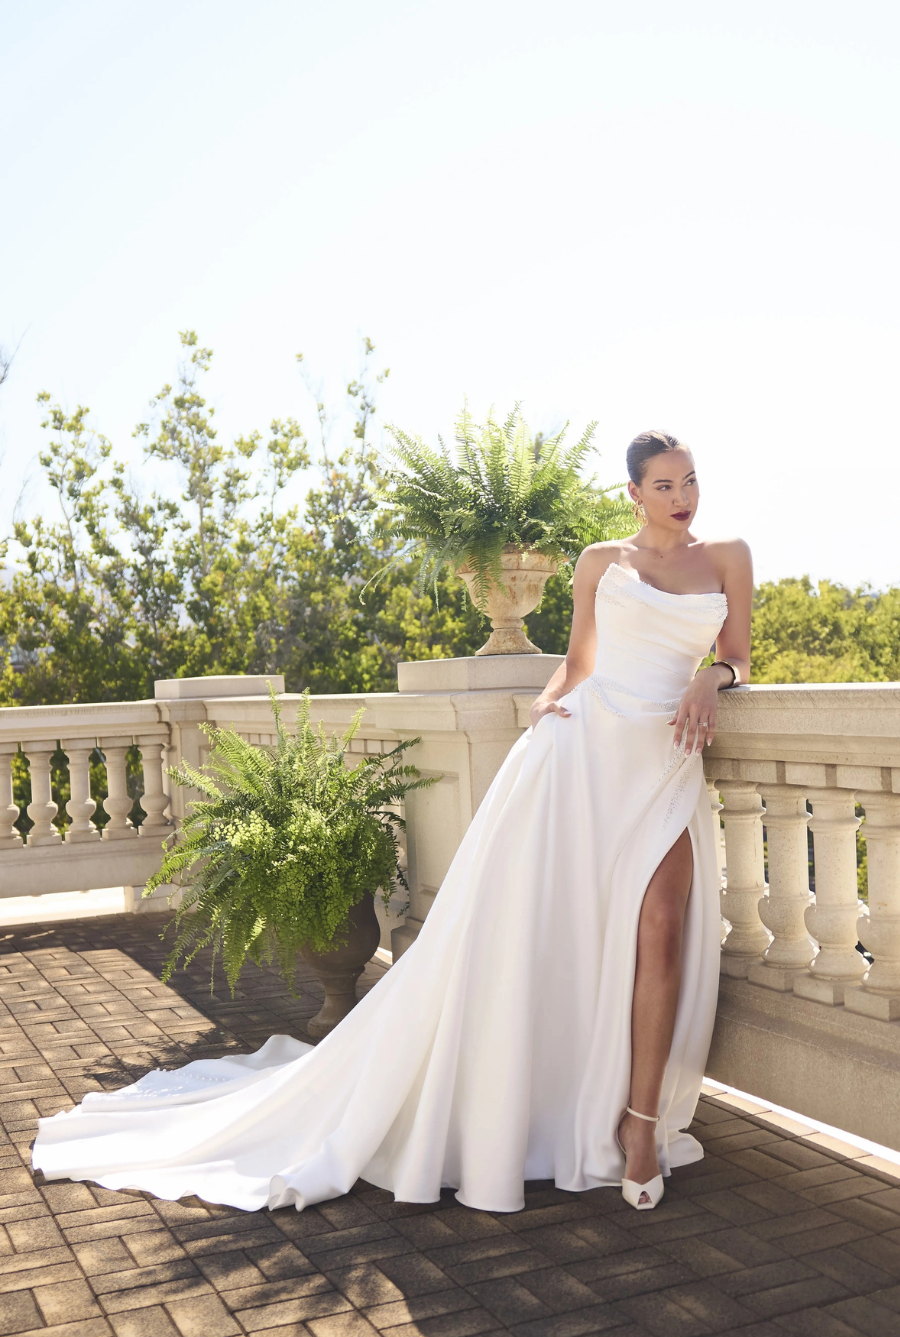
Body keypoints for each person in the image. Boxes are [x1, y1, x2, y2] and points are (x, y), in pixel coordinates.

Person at [32, 430, 752, 1215]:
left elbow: (740, 656)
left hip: (664, 763)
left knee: (662, 929)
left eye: (690, 481)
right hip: (581, 757)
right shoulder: (598, 562)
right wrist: (546, 705)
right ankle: (559, 1098)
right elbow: (580, 663)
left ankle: (638, 1123)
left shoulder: (727, 557)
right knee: (556, 934)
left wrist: (710, 678)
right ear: (634, 494)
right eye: (664, 485)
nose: (682, 498)